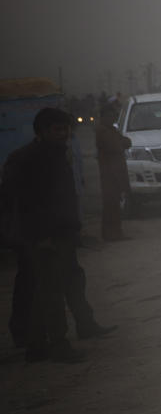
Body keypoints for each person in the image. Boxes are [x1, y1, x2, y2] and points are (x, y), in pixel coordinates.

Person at [1, 109, 92, 362]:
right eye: (57, 129)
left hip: (59, 232)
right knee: (49, 292)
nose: (63, 133)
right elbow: (26, 203)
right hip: (42, 237)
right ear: (41, 131)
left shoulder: (56, 155)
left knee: (45, 290)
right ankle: (57, 344)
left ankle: (36, 346)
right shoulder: (30, 159)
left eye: (65, 129)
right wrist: (41, 236)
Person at [95, 101, 132, 241]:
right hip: (109, 173)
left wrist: (121, 143)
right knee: (111, 205)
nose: (113, 119)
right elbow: (116, 146)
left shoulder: (110, 130)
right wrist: (121, 143)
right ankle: (111, 234)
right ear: (103, 116)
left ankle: (115, 232)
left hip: (115, 172)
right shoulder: (103, 131)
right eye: (110, 116)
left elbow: (127, 142)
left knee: (115, 204)